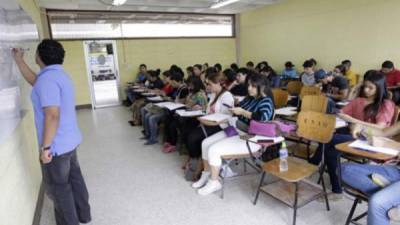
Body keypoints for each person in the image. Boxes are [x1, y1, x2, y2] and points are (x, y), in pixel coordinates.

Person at [12, 39, 91, 225]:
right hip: (69, 140)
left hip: (56, 146)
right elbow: (35, 82)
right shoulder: (58, 75)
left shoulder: (47, 79)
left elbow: (52, 115)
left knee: (59, 188)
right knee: (75, 179)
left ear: (39, 57)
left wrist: (46, 148)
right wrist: (19, 61)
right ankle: (84, 216)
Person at [309, 70, 395, 200]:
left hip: (370, 140)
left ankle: (316, 162)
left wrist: (354, 121)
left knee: (328, 140)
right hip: (354, 135)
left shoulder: (385, 104)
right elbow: (343, 110)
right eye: (365, 86)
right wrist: (355, 89)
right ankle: (336, 189)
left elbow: (381, 128)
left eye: (371, 88)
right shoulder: (359, 101)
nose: (366, 90)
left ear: (380, 88)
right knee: (330, 148)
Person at [193, 74, 275, 195]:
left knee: (214, 150)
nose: (249, 88)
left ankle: (214, 182)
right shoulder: (250, 98)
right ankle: (206, 174)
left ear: (262, 87)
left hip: (252, 138)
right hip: (237, 129)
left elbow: (262, 119)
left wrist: (242, 112)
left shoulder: (267, 101)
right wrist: (234, 109)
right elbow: (239, 111)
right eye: (248, 85)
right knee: (205, 143)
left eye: (253, 86)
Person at [341, 121, 400, 225]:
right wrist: (362, 128)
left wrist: (389, 144)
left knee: (378, 203)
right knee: (344, 169)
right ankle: (392, 197)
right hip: (397, 171)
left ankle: (389, 197)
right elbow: (383, 131)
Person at [185, 72, 234, 178]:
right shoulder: (213, 95)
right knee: (187, 130)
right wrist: (201, 110)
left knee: (193, 137)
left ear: (219, 84)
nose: (207, 86)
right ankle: (196, 159)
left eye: (209, 84)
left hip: (221, 126)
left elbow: (225, 117)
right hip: (209, 122)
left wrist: (205, 121)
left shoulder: (227, 96)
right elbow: (209, 111)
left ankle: (197, 164)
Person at [141, 71, 189, 145]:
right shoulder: (175, 88)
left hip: (172, 110)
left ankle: (153, 138)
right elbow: (169, 96)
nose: (172, 84)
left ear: (179, 81)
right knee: (147, 114)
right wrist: (166, 96)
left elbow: (180, 102)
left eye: (174, 83)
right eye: (172, 83)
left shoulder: (184, 89)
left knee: (151, 118)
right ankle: (148, 135)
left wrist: (170, 98)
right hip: (167, 107)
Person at [163, 76, 208, 153]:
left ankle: (180, 145)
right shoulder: (192, 92)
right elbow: (187, 103)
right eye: (189, 85)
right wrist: (188, 103)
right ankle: (172, 142)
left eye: (191, 85)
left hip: (196, 117)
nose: (189, 87)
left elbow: (202, 109)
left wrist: (194, 105)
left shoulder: (200, 94)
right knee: (171, 122)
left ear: (196, 84)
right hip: (188, 113)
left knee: (181, 126)